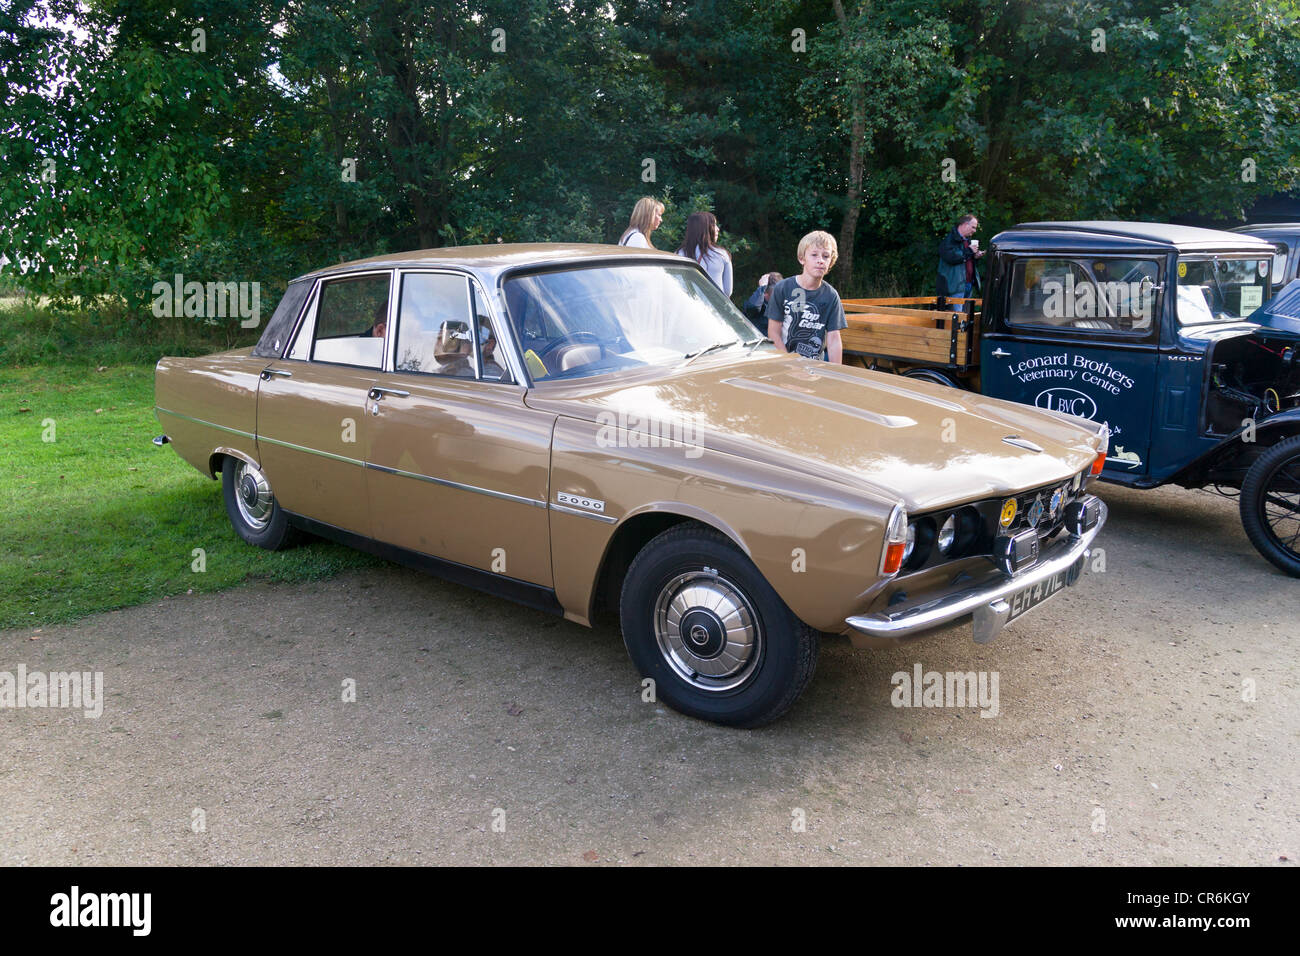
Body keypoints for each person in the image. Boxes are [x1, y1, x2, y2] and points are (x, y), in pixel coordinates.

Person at [765, 231, 845, 364]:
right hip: (783, 363)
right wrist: (789, 363)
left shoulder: (831, 296)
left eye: (826, 256)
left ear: (831, 262)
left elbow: (834, 339)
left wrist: (837, 374)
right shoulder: (783, 288)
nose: (820, 260)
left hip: (814, 368)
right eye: (814, 255)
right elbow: (773, 333)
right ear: (802, 258)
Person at [676, 211, 733, 295]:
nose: (718, 229)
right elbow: (728, 291)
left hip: (688, 306)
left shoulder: (679, 254)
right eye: (714, 225)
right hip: (715, 306)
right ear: (705, 228)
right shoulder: (722, 255)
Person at [937, 213, 984, 313]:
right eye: (973, 227)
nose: (974, 230)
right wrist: (969, 251)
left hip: (968, 284)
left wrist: (975, 256)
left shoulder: (967, 241)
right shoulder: (949, 240)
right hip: (954, 286)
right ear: (965, 224)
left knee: (965, 319)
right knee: (956, 319)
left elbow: (965, 259)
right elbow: (951, 258)